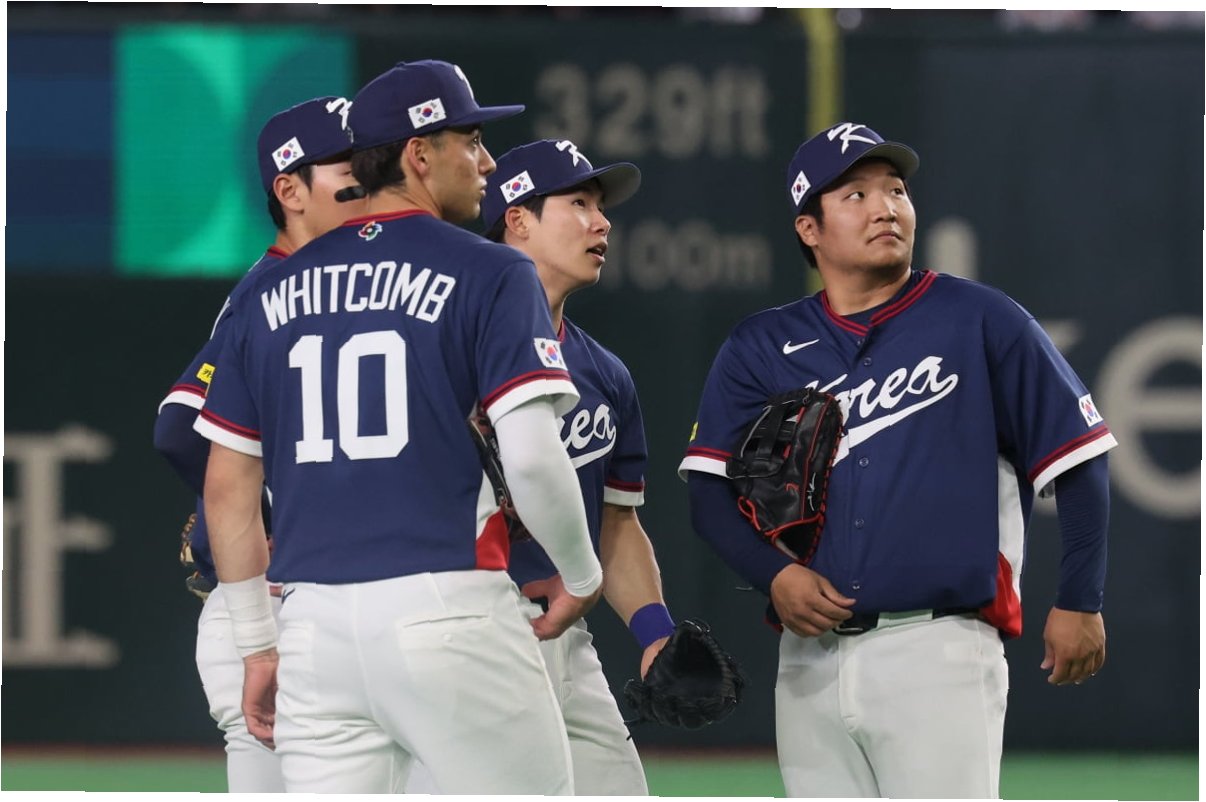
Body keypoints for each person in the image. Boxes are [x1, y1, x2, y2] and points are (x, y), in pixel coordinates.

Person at [193, 60, 603, 795]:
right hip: (448, 604)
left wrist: (257, 646)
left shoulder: (267, 290)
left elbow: (226, 487)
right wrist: (581, 572)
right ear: (418, 153)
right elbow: (534, 459)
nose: (486, 162)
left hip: (314, 632)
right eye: (469, 141)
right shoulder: (492, 271)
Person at [679, 122, 1114, 798]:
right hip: (809, 658)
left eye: (896, 191)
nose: (885, 208)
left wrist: (1080, 600)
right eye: (856, 195)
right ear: (809, 229)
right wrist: (775, 575)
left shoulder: (981, 319)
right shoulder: (761, 345)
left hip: (938, 649)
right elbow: (709, 495)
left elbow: (1080, 458)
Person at [152, 95, 366, 793]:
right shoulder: (272, 289)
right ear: (290, 191)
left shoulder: (331, 284)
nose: (367, 178)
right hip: (277, 605)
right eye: (347, 167)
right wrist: (255, 517)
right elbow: (180, 424)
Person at [478, 138, 672, 794]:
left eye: (601, 207)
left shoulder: (604, 373)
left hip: (565, 628)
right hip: (475, 628)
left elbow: (616, 523)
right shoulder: (452, 349)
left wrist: (656, 633)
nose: (602, 222)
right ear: (518, 219)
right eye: (580, 204)